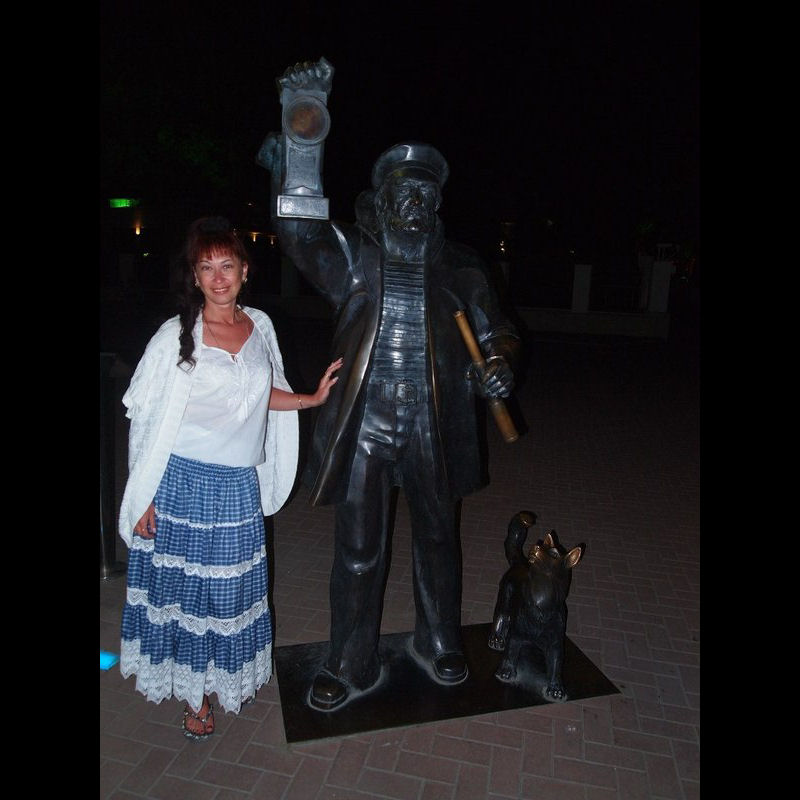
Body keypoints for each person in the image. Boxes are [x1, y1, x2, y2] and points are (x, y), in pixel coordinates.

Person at [258, 59, 520, 711]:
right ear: (382, 201)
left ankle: (441, 640)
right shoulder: (354, 258)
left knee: (438, 539)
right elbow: (298, 229)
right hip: (368, 422)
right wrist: (303, 133)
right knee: (357, 549)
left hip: (437, 422)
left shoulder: (462, 268)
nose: (416, 203)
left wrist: (499, 361)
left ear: (437, 205)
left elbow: (498, 332)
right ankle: (348, 659)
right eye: (405, 192)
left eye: (426, 195)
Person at [118, 216, 342, 740]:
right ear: (194, 276)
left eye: (227, 266)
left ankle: (220, 675)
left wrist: (310, 399)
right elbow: (145, 420)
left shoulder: (259, 326)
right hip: (182, 486)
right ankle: (195, 697)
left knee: (231, 594)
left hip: (237, 488)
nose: (218, 278)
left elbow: (261, 396)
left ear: (245, 270)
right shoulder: (176, 336)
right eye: (206, 268)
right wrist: (142, 495)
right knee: (188, 596)